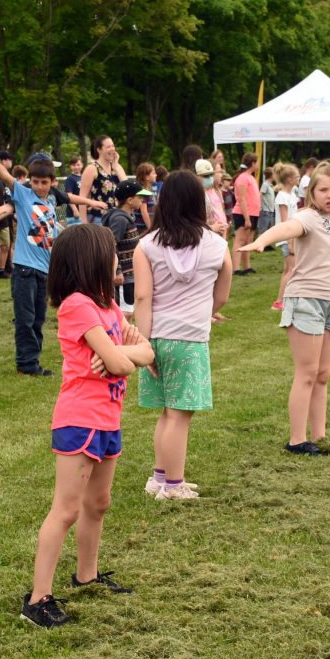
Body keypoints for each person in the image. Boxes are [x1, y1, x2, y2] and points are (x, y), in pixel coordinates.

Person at [22, 224, 155, 628]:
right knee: (65, 509)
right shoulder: (77, 304)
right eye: (113, 250)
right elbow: (119, 364)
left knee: (98, 503)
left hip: (108, 419)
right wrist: (119, 357)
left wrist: (120, 352)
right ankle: (38, 599)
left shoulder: (110, 308)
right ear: (90, 259)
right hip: (79, 421)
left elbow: (146, 352)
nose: (118, 256)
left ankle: (87, 575)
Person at [243, 161, 330, 455]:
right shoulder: (308, 217)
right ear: (312, 192)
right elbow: (286, 227)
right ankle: (296, 440)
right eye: (323, 190)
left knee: (323, 374)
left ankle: (320, 434)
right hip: (306, 301)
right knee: (307, 372)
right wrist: (262, 241)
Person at [135, 171, 231, 501]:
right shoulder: (217, 245)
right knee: (180, 415)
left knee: (167, 411)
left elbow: (143, 298)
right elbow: (222, 294)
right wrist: (204, 311)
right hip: (190, 339)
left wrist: (143, 344)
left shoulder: (146, 245)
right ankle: (173, 486)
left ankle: (160, 478)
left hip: (157, 336)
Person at [0, 133, 62, 376]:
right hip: (24, 269)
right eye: (35, 181)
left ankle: (34, 361)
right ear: (30, 181)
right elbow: (5, 174)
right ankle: (27, 364)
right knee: (25, 319)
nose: (39, 186)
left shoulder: (52, 203)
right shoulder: (23, 194)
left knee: (39, 319)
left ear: (52, 182)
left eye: (44, 182)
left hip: (44, 271)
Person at [101, 182, 146, 315]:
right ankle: (119, 336)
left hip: (130, 275)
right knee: (124, 313)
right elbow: (111, 243)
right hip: (123, 276)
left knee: (129, 310)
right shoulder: (120, 219)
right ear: (130, 200)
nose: (142, 200)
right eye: (140, 197)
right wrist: (118, 270)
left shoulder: (127, 217)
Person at [270, 164, 302, 311]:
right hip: (287, 238)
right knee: (291, 270)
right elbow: (285, 222)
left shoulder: (292, 195)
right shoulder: (282, 197)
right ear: (289, 180)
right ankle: (279, 302)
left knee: (288, 269)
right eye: (296, 176)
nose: (299, 178)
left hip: (292, 236)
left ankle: (285, 299)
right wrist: (290, 242)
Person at [77, 135, 126, 224]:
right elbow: (82, 198)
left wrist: (116, 167)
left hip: (117, 217)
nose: (112, 149)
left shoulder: (116, 167)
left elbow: (128, 187)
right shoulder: (92, 168)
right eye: (108, 147)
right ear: (99, 150)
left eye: (113, 146)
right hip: (99, 218)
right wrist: (84, 223)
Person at [232, 154, 262, 274]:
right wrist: (246, 218)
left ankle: (247, 267)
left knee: (248, 241)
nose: (258, 165)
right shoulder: (242, 178)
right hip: (243, 213)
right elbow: (242, 199)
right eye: (257, 162)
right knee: (240, 240)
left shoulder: (251, 178)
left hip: (253, 213)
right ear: (253, 163)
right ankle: (236, 268)